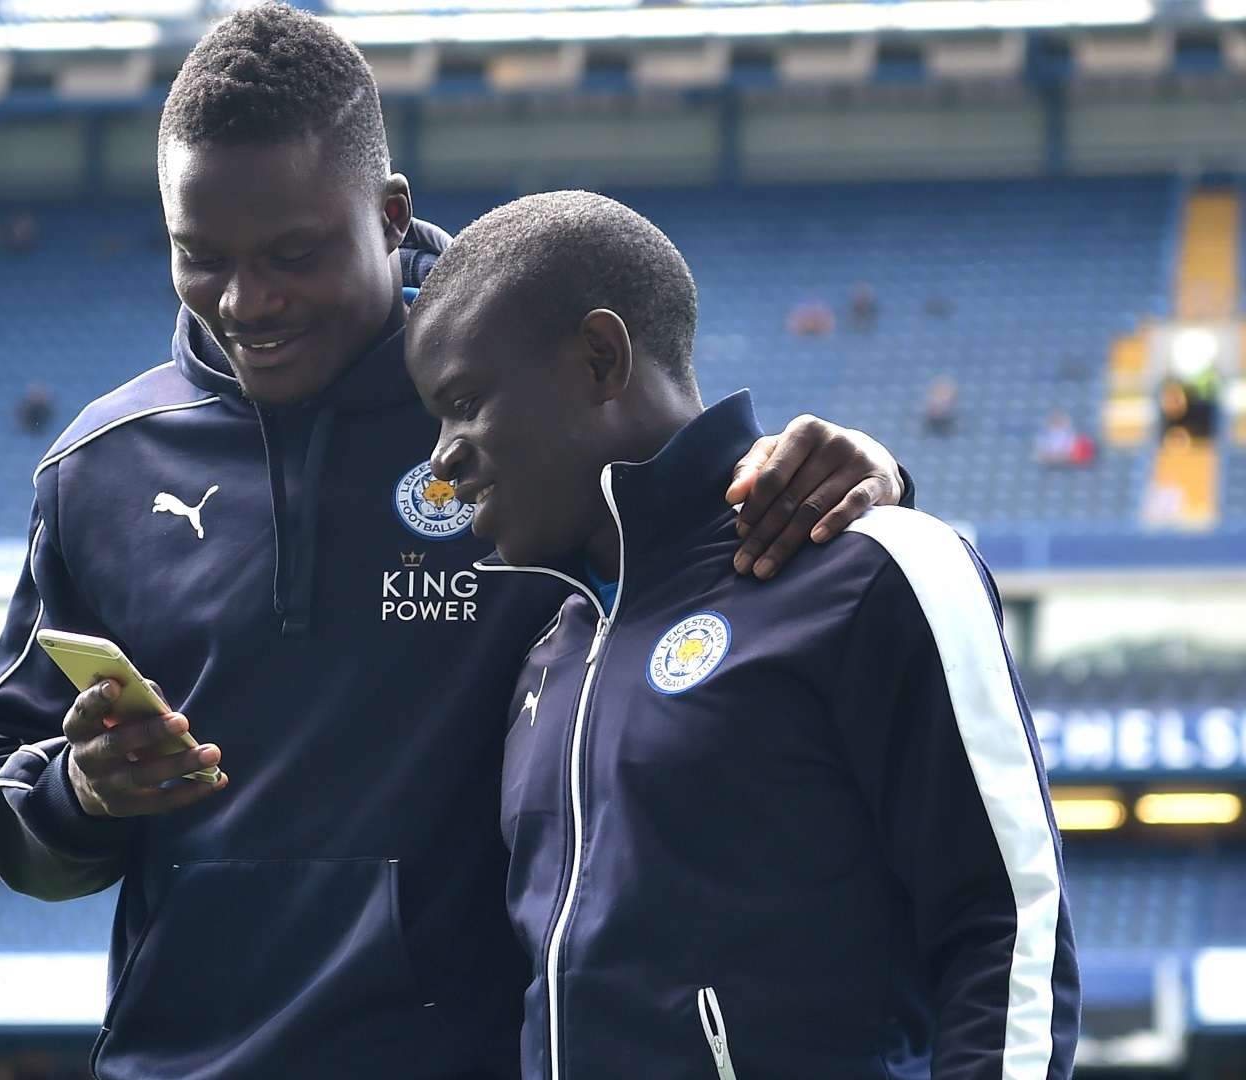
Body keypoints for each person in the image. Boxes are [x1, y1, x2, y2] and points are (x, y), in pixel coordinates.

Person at [0, 7, 908, 1077]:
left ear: (387, 209)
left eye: (293, 253)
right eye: (199, 258)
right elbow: (11, 815)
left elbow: (706, 523)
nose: (246, 300)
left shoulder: (519, 402)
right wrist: (82, 793)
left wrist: (863, 473)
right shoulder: (96, 471)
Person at [405, 190, 1077, 1079]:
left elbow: (1008, 927)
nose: (441, 460)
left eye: (464, 403)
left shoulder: (874, 569)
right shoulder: (549, 650)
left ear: (601, 359)